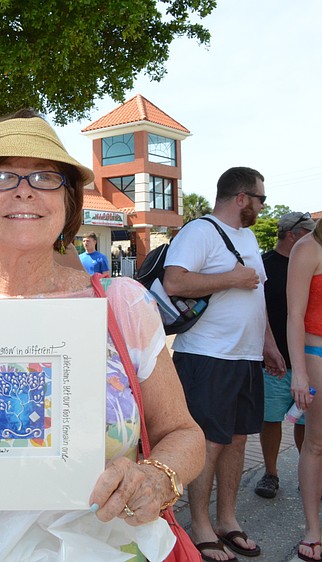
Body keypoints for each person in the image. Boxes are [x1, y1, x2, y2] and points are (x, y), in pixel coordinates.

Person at [0, 110, 204, 561]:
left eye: (45, 177)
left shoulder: (122, 305)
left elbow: (184, 433)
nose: (24, 189)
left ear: (67, 205)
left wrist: (158, 477)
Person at [163, 167, 285, 561]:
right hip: (207, 355)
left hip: (245, 357)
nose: (263, 206)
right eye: (261, 198)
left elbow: (258, 297)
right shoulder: (200, 231)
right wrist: (232, 278)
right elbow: (175, 283)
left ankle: (227, 520)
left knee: (236, 440)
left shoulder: (246, 237)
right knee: (208, 443)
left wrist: (269, 345)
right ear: (242, 197)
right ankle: (199, 525)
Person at [254, 211, 316, 499]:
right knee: (271, 419)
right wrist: (269, 350)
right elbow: (258, 311)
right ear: (293, 233)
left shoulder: (314, 262)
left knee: (306, 422)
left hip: (308, 359)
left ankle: (310, 475)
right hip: (275, 361)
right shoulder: (265, 265)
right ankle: (270, 472)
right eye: (308, 230)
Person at [286, 215, 322, 562]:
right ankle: (313, 529)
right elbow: (294, 315)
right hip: (317, 355)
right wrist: (299, 372)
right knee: (316, 443)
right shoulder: (309, 247)